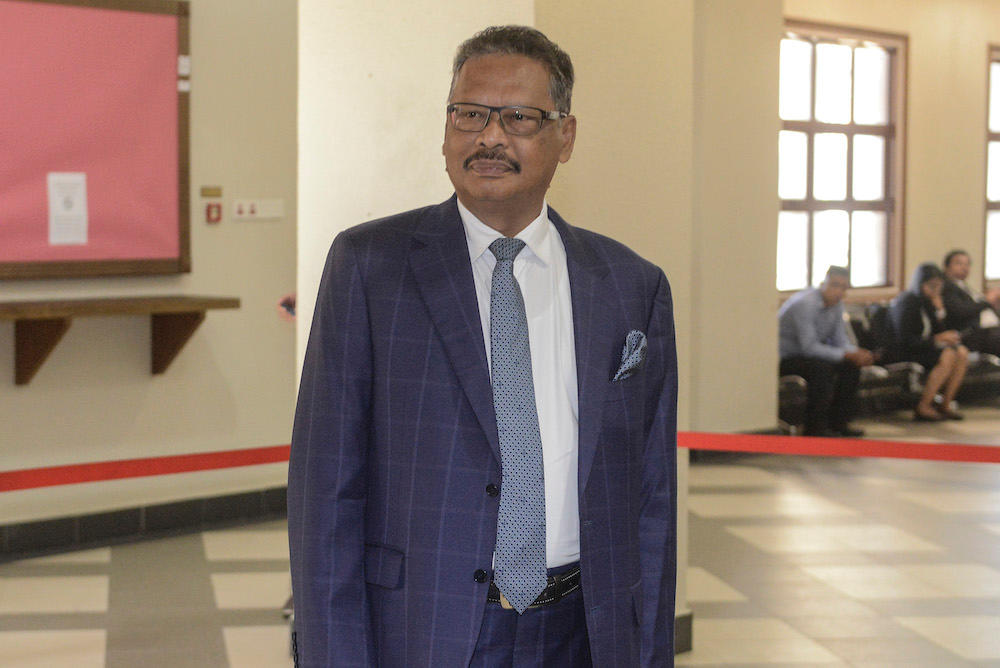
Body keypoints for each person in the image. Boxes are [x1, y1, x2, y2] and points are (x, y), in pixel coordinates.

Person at [288, 26, 677, 667]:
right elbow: (326, 488)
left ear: (565, 137)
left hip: (587, 628)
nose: (489, 137)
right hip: (423, 626)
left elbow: (651, 497)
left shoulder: (631, 285)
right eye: (469, 114)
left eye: (518, 117)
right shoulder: (370, 266)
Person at [778, 265, 875, 437]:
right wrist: (846, 354)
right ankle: (815, 429)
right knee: (821, 370)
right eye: (834, 285)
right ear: (823, 284)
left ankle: (839, 423)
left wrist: (857, 353)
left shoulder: (836, 306)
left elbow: (840, 340)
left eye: (843, 287)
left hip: (812, 355)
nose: (838, 291)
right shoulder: (805, 304)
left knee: (851, 367)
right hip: (787, 356)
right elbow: (809, 347)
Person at [889, 262, 968, 421]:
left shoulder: (929, 302)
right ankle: (924, 406)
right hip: (902, 350)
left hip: (923, 347)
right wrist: (937, 339)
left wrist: (939, 311)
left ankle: (946, 403)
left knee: (961, 352)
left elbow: (939, 331)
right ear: (920, 283)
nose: (935, 290)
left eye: (939, 286)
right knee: (948, 355)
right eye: (932, 286)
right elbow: (905, 339)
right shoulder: (907, 302)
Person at [941, 249, 1000, 356]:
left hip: (987, 329)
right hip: (970, 333)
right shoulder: (947, 287)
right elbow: (961, 311)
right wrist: (987, 301)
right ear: (947, 266)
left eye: (967, 264)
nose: (964, 268)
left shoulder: (964, 286)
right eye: (959, 263)